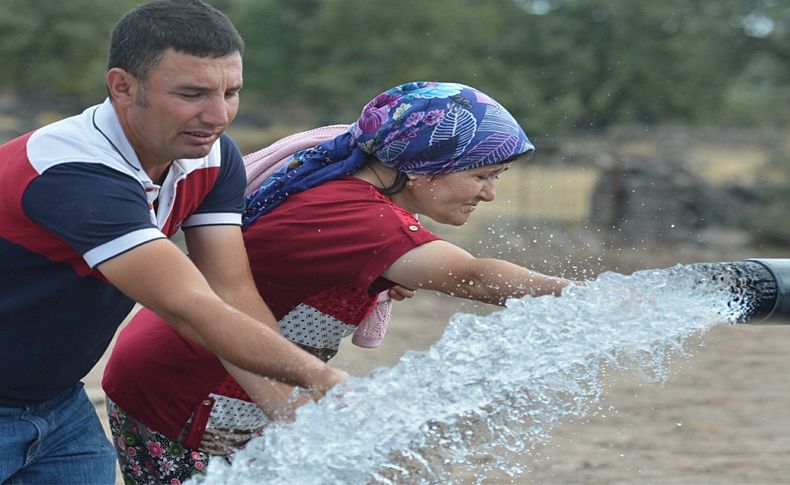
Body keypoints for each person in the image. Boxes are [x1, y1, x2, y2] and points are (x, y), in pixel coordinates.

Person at [102, 81, 576, 483]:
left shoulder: (342, 186)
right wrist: (586, 298)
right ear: (419, 165)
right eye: (480, 175)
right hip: (189, 393)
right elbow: (471, 279)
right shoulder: (357, 216)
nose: (490, 194)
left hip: (198, 372)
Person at [0, 1, 346, 483]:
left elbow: (232, 294)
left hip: (57, 404)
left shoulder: (207, 154)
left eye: (232, 92)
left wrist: (291, 413)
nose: (218, 115)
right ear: (122, 86)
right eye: (192, 94)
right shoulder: (72, 172)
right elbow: (188, 308)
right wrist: (322, 379)